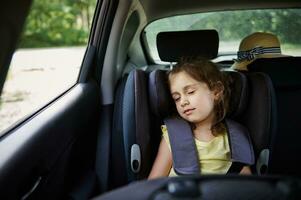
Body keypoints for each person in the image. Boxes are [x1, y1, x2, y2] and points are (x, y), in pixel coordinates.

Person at [148, 58, 253, 179]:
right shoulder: (173, 135)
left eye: (191, 92)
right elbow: (153, 182)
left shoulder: (235, 137)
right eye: (177, 98)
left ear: (216, 91)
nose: (183, 102)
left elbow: (248, 185)